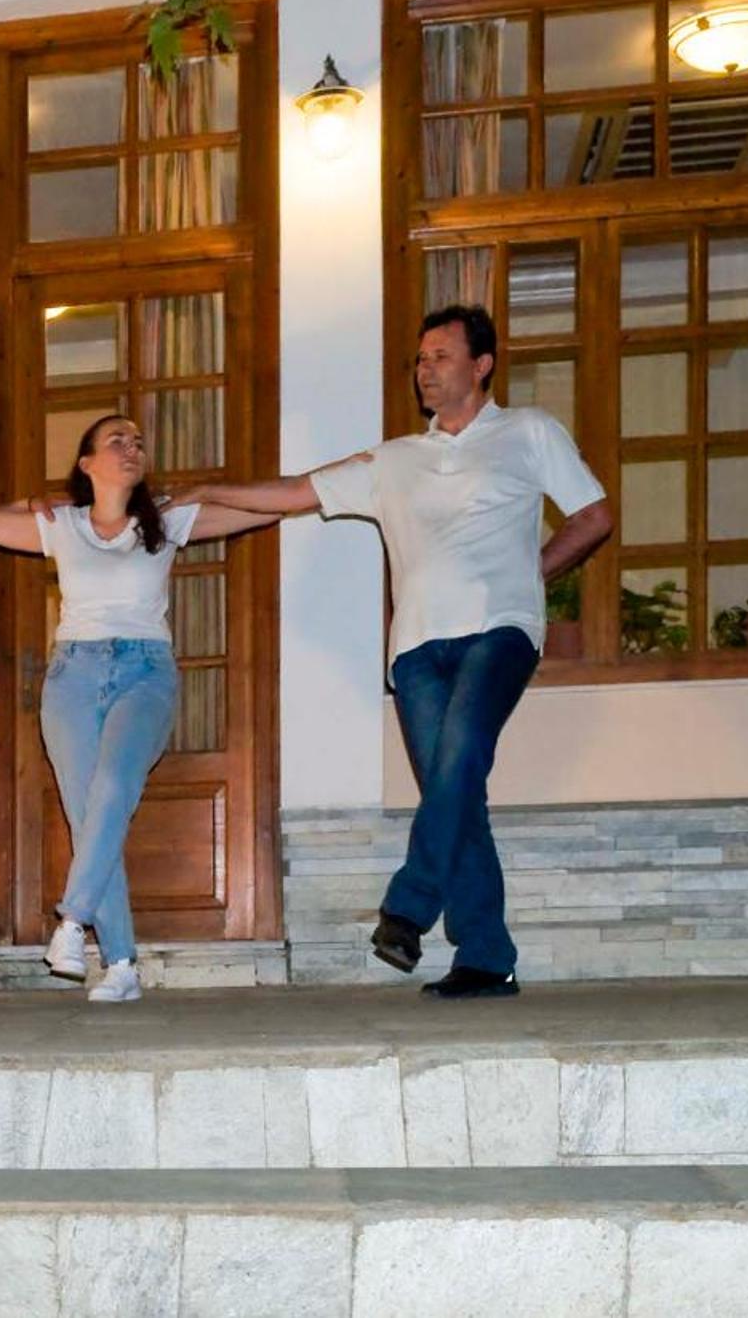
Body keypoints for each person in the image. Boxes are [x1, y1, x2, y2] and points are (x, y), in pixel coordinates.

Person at [185, 304, 613, 999]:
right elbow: (292, 494)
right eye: (420, 359)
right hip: (415, 648)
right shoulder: (394, 459)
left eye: (441, 356)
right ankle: (487, 957)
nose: (425, 370)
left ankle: (408, 908)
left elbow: (594, 516)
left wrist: (532, 574)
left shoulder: (529, 432)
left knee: (461, 757)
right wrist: (204, 493)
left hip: (500, 629)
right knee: (456, 788)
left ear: (481, 365)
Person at [0, 414, 283, 1001]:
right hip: (72, 676)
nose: (132, 447)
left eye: (139, 441)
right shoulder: (60, 525)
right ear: (86, 463)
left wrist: (206, 489)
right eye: (116, 440)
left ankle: (71, 922)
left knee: (115, 786)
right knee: (89, 816)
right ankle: (121, 964)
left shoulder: (166, 520)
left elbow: (272, 506)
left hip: (145, 673)